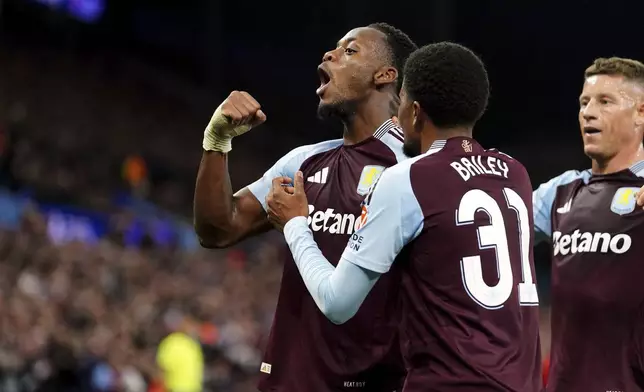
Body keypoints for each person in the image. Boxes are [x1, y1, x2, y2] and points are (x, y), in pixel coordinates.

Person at [266, 42, 542, 392]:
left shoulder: (408, 178)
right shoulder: (515, 173)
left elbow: (337, 303)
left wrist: (295, 224)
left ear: (414, 111)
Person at [193, 23, 418, 391]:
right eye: (333, 48)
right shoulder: (304, 163)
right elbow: (218, 228)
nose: (328, 55)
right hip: (288, 381)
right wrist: (216, 142)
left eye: (350, 51)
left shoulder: (414, 169)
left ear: (385, 75)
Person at [532, 57, 644, 391]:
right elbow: (494, 217)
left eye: (605, 101)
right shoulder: (562, 191)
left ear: (641, 112)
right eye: (584, 102)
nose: (588, 112)